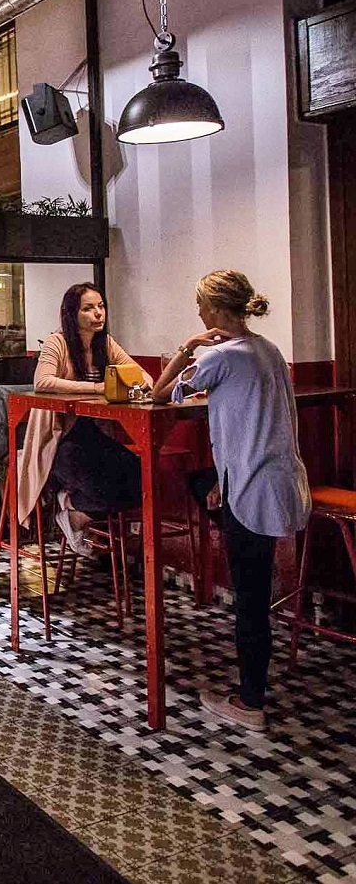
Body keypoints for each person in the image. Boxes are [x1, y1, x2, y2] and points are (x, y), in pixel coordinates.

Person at [152, 271, 308, 732]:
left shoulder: (219, 356)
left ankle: (250, 701)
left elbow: (160, 395)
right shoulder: (269, 350)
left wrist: (187, 347)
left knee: (250, 601)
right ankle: (233, 525)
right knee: (204, 483)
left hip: (251, 488)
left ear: (217, 310)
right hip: (281, 481)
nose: (199, 313)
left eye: (201, 305)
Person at [35, 283, 151, 555]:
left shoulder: (105, 343)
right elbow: (42, 381)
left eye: (101, 306)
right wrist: (98, 388)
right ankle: (71, 507)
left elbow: (144, 376)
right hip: (61, 441)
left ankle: (73, 511)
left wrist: (136, 386)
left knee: (142, 480)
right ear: (72, 313)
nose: (98, 313)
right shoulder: (58, 342)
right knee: (107, 489)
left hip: (98, 437)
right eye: (88, 308)